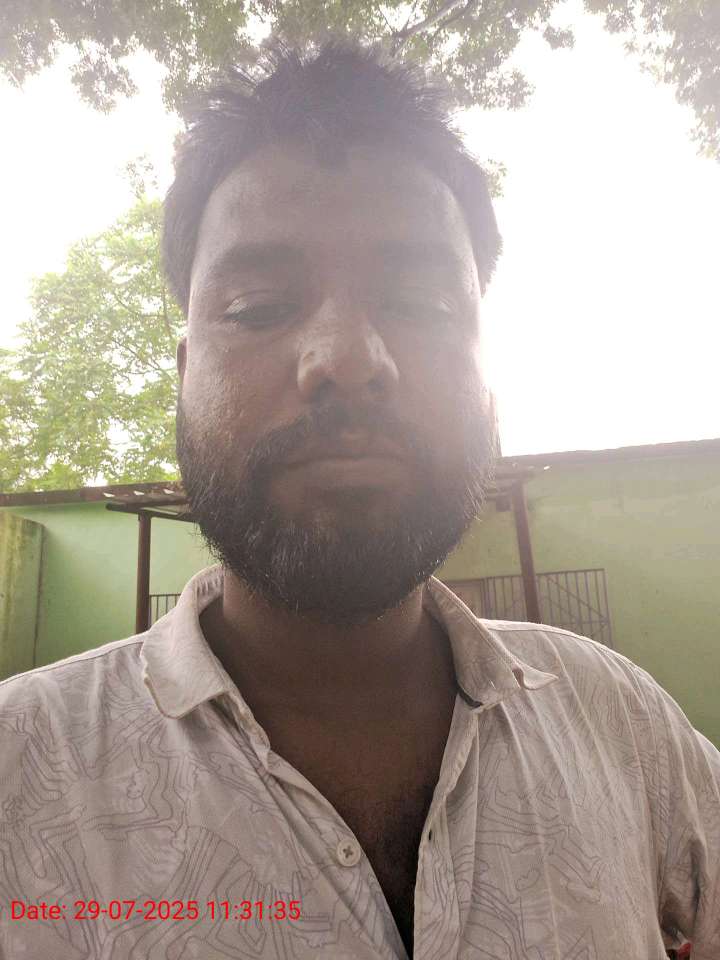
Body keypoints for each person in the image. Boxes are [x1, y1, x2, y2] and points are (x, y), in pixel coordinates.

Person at [0, 37, 718, 960]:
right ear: (184, 379)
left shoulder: (621, 722)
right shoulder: (20, 769)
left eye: (420, 303)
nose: (345, 359)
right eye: (259, 306)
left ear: (487, 380)